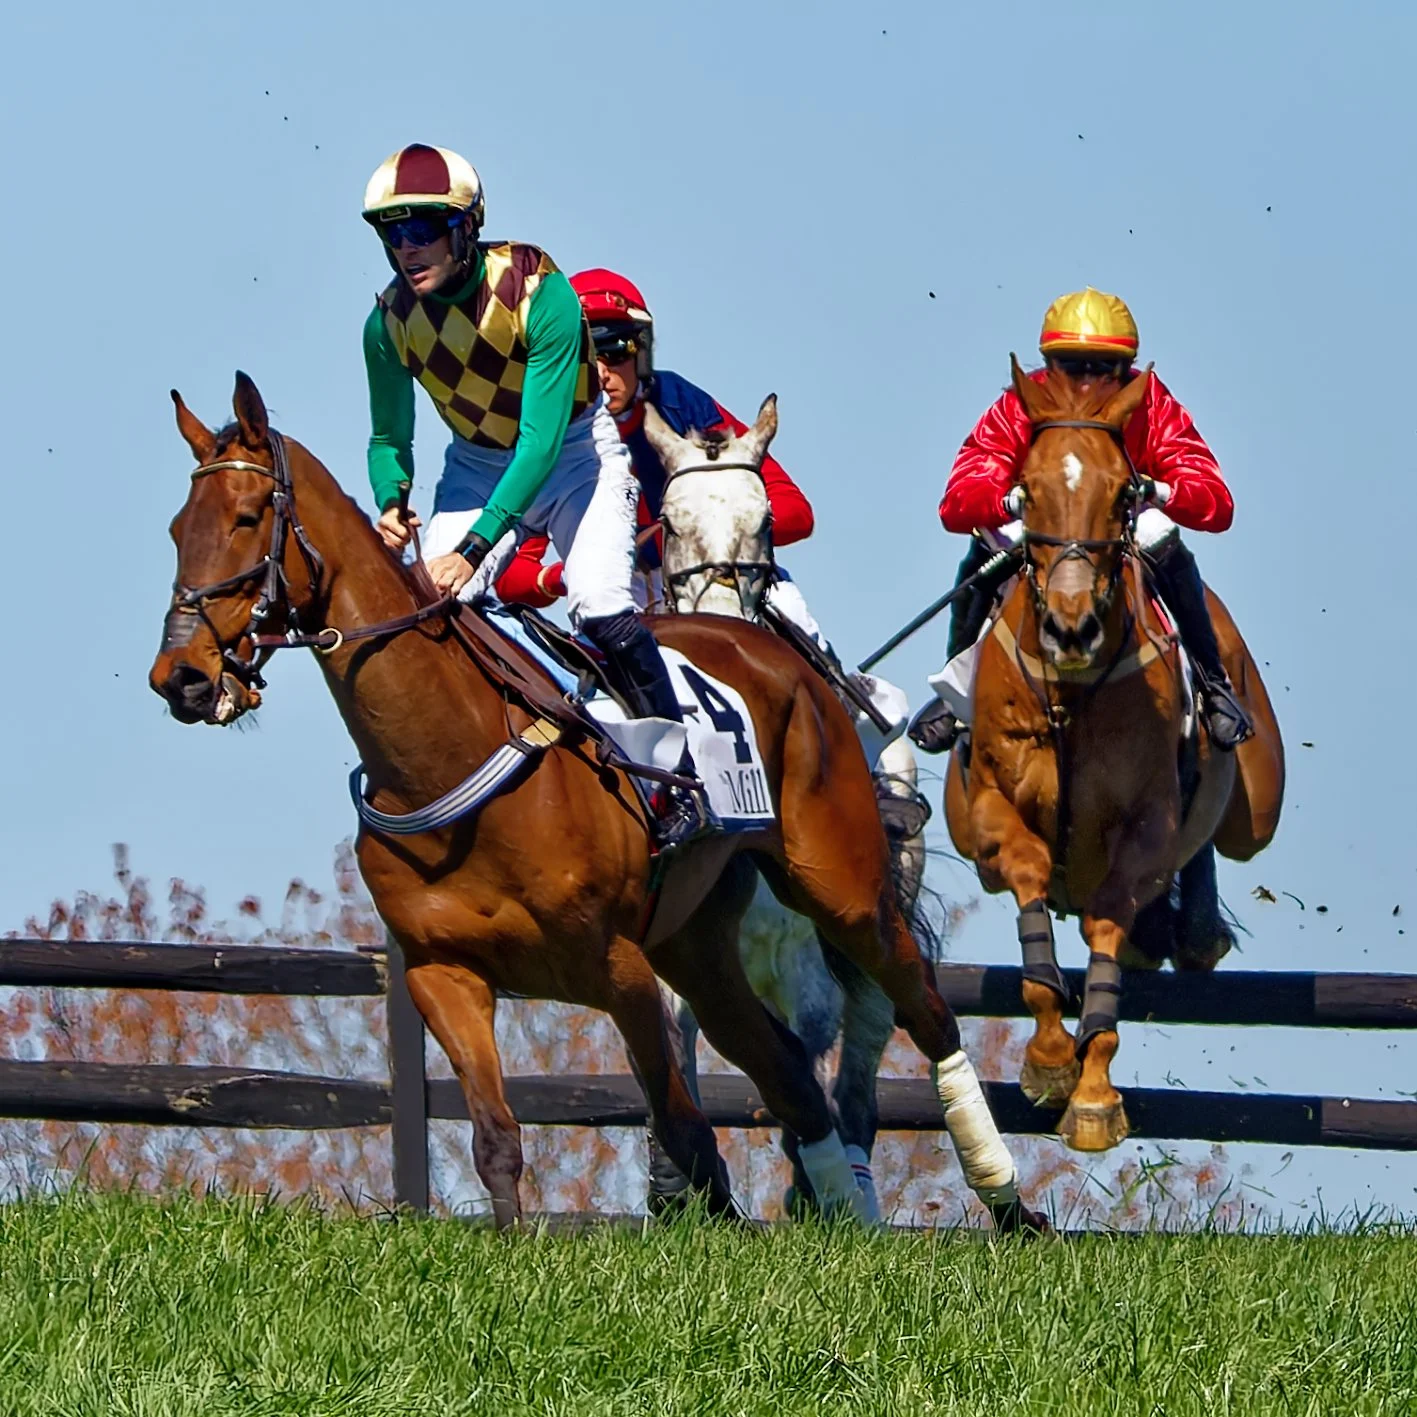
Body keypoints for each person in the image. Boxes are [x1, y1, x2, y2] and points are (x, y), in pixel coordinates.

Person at [360, 143, 706, 848]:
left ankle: (682, 780)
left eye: (422, 229)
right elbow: (387, 437)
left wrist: (477, 546)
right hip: (474, 465)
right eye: (392, 233)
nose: (406, 248)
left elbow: (541, 444)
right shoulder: (386, 324)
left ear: (466, 227)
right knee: (429, 611)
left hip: (576, 456)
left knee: (604, 611)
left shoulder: (538, 290)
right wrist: (391, 498)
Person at [910, 286, 1252, 754]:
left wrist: (1159, 492)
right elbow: (958, 499)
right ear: (1048, 367)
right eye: (1071, 367)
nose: (1086, 383)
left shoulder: (1152, 403)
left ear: (1125, 369)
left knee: (1161, 535)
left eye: (1102, 369)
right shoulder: (1018, 405)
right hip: (1042, 527)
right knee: (989, 543)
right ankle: (956, 686)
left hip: (1119, 530)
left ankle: (1213, 684)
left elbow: (1216, 500)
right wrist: (1010, 501)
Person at [492, 269, 822, 645]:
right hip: (620, 597)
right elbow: (509, 574)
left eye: (615, 350)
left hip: (721, 573)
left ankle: (849, 699)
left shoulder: (682, 404)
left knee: (793, 618)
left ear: (643, 352)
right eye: (581, 357)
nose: (600, 374)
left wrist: (722, 536)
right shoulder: (543, 442)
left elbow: (795, 510)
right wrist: (567, 575)